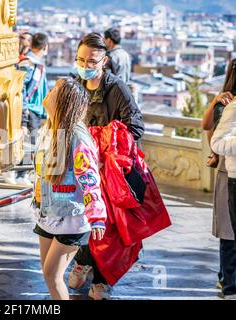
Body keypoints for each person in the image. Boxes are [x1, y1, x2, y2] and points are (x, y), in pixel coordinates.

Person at [68, 32, 144, 300]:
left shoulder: (117, 89)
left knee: (109, 228)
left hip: (111, 171)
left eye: (91, 61)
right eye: (80, 60)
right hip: (81, 168)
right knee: (82, 220)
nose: (85, 66)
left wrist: (104, 139)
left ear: (104, 61)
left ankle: (101, 279)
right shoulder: (74, 86)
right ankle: (82, 258)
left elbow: (135, 126)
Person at [33, 77, 106, 300]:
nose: (50, 91)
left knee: (52, 275)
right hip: (47, 213)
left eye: (55, 89)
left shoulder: (77, 136)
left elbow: (89, 177)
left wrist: (97, 216)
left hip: (71, 218)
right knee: (49, 275)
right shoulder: (48, 129)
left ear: (64, 101)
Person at [202, 58, 236, 300]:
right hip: (228, 169)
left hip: (227, 166)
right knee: (228, 230)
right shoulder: (226, 101)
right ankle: (228, 281)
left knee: (229, 231)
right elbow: (208, 126)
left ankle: (227, 280)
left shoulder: (224, 100)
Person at [5, 32, 49, 186]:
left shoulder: (33, 63)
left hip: (34, 110)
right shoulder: (29, 63)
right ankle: (18, 173)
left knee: (31, 142)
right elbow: (21, 88)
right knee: (29, 142)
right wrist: (24, 113)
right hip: (30, 110)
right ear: (45, 47)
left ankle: (20, 173)